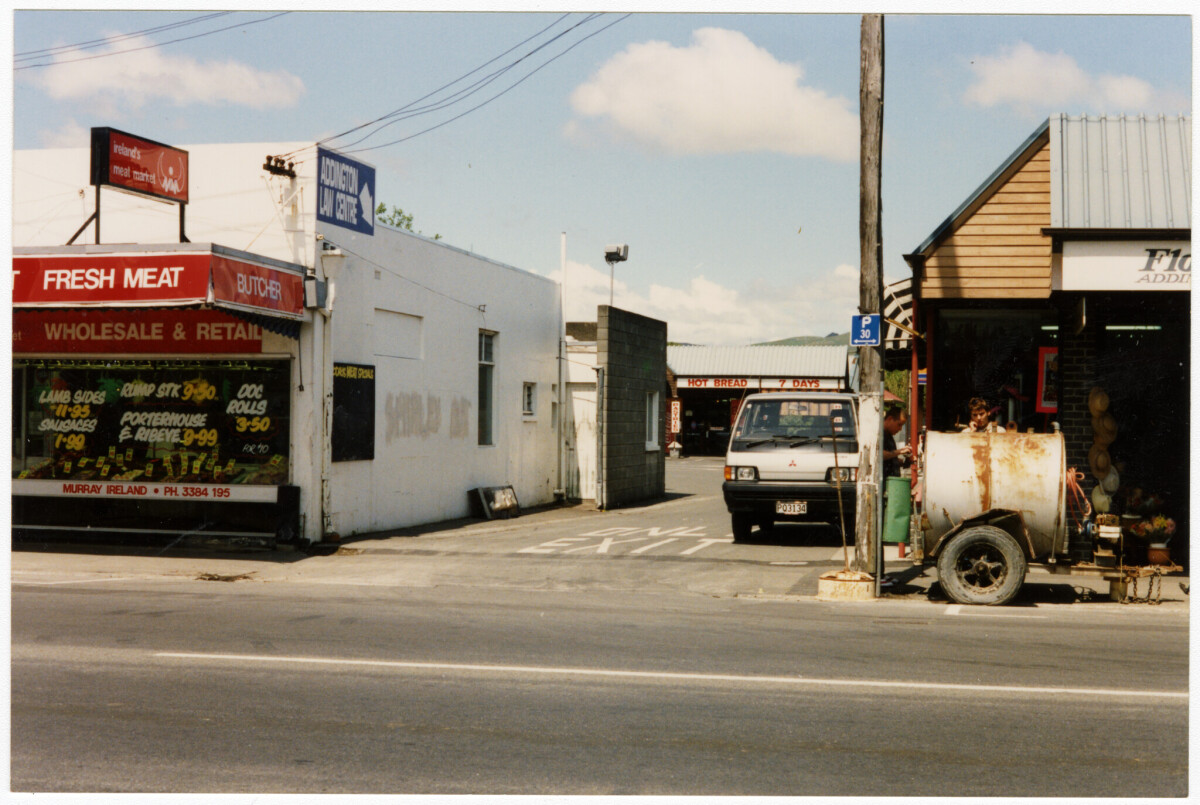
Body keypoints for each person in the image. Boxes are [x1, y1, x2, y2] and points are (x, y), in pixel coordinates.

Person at [882, 403, 912, 478]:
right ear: (890, 419)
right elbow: (879, 455)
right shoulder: (878, 434)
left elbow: (889, 457)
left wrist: (900, 461)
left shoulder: (889, 435)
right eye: (899, 424)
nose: (900, 429)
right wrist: (900, 451)